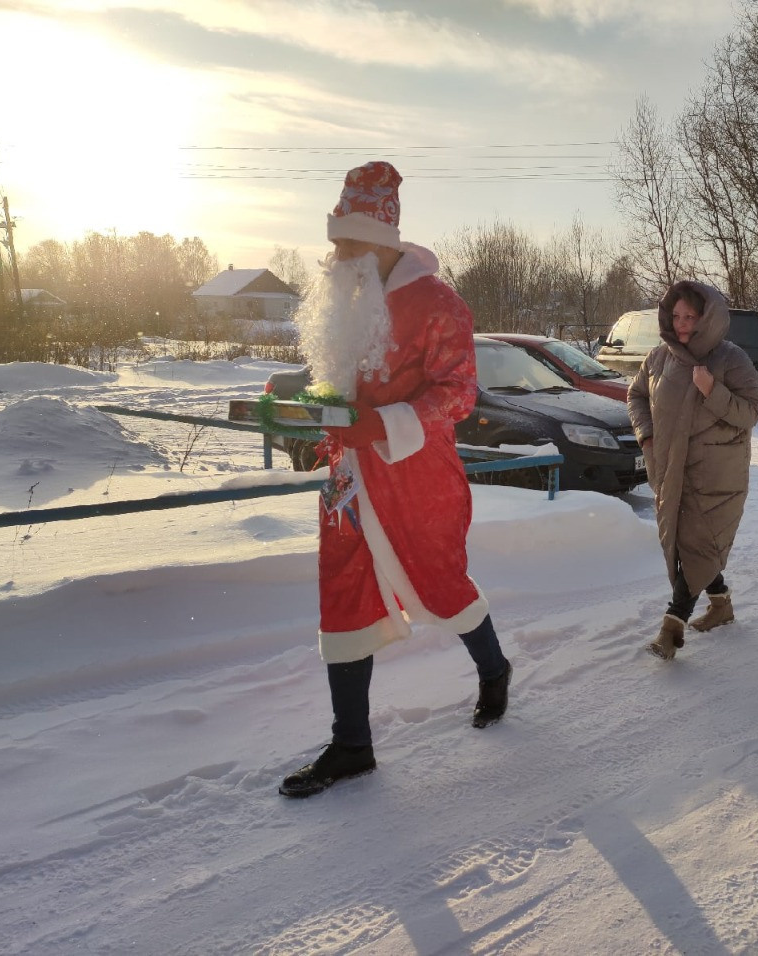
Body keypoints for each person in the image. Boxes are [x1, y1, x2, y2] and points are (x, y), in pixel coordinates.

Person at [278, 161, 512, 798]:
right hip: (349, 478)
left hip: (417, 477)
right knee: (342, 592)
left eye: (347, 241)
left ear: (382, 241)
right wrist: (316, 411)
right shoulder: (347, 300)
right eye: (334, 240)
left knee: (441, 583)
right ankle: (351, 743)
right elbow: (341, 390)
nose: (336, 254)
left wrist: (379, 423)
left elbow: (460, 393)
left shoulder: (438, 304)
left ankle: (494, 669)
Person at [627, 280, 758, 660]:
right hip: (669, 467)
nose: (683, 323)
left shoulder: (731, 359)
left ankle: (672, 626)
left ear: (710, 318)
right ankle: (721, 605)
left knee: (701, 544)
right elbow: (635, 395)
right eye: (677, 315)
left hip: (717, 475)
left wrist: (711, 390)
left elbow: (750, 413)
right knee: (689, 545)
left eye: (691, 316)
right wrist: (647, 438)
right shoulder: (658, 358)